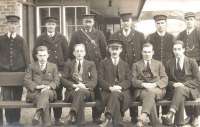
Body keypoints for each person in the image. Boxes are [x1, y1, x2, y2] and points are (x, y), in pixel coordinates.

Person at [68, 14, 107, 123]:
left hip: (97, 67)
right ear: (82, 22)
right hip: (82, 67)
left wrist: (100, 65)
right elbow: (71, 50)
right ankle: (78, 116)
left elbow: (104, 51)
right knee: (81, 90)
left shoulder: (99, 34)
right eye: (86, 21)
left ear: (93, 22)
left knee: (97, 92)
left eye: (90, 21)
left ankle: (96, 116)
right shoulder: (76, 34)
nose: (88, 23)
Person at [110, 12, 145, 123]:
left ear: (131, 22)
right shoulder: (115, 35)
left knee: (133, 90)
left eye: (128, 21)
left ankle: (134, 116)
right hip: (120, 68)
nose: (126, 23)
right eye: (123, 21)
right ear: (121, 23)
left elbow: (143, 52)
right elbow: (111, 51)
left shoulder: (139, 35)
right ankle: (119, 114)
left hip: (135, 67)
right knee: (121, 89)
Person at [33, 16, 69, 125]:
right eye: (48, 24)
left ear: (56, 26)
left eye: (53, 24)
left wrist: (62, 71)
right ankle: (46, 118)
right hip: (45, 70)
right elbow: (35, 53)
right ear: (46, 25)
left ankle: (57, 118)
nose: (51, 26)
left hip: (59, 70)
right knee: (45, 93)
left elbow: (67, 54)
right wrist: (41, 68)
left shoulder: (62, 37)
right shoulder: (40, 38)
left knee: (58, 95)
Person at [162, 40, 200, 126]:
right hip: (176, 92)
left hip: (190, 90)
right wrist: (173, 84)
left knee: (180, 89)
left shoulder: (192, 62)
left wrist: (183, 85)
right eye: (175, 49)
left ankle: (171, 113)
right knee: (179, 94)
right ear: (172, 50)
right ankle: (179, 123)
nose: (177, 52)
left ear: (183, 50)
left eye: (179, 49)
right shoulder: (169, 63)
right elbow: (165, 80)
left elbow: (198, 80)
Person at [0, 15, 30, 126]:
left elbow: (27, 58)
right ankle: (9, 121)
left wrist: (28, 72)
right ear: (7, 25)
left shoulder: (21, 40)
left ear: (18, 26)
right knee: (7, 98)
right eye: (10, 24)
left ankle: (16, 121)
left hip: (19, 73)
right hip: (4, 74)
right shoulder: (1, 39)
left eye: (15, 24)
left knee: (17, 97)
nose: (12, 26)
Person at [132, 43, 168, 127]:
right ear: (141, 52)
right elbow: (133, 80)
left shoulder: (159, 64)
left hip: (157, 89)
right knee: (150, 94)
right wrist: (143, 84)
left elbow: (165, 79)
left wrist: (155, 84)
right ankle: (155, 123)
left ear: (153, 52)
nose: (147, 54)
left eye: (149, 52)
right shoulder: (136, 65)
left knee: (150, 92)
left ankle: (143, 117)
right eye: (145, 52)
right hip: (142, 90)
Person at [61, 43, 97, 126]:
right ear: (74, 53)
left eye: (81, 51)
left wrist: (83, 86)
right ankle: (80, 121)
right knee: (79, 95)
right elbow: (63, 79)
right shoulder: (68, 64)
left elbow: (94, 81)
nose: (79, 53)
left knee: (80, 92)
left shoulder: (91, 64)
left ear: (85, 53)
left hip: (87, 92)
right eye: (77, 51)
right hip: (72, 93)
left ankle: (72, 113)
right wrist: (74, 85)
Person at [99, 39, 132, 127]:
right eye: (112, 49)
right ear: (109, 50)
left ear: (120, 50)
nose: (114, 51)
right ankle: (118, 123)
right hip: (107, 92)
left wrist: (120, 87)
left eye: (117, 49)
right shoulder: (103, 63)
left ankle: (108, 117)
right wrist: (110, 87)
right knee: (114, 96)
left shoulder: (125, 64)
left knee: (115, 95)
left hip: (123, 93)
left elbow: (129, 80)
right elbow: (100, 80)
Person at [24, 46, 59, 127]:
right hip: (35, 93)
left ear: (48, 56)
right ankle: (46, 123)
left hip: (50, 92)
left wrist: (48, 87)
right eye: (40, 55)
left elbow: (56, 81)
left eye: (44, 55)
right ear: (37, 56)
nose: (42, 58)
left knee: (45, 93)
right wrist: (37, 87)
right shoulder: (31, 66)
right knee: (44, 101)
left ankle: (38, 113)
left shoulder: (53, 66)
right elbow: (26, 80)